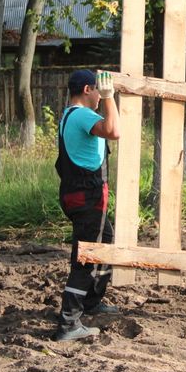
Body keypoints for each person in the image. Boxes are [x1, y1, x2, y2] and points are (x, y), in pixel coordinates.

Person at [53, 69, 121, 341]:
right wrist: (110, 97)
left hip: (78, 195)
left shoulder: (69, 115)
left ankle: (91, 302)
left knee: (105, 242)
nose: (99, 96)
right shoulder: (81, 115)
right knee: (86, 258)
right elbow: (113, 130)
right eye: (97, 91)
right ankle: (68, 324)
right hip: (87, 197)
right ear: (87, 90)